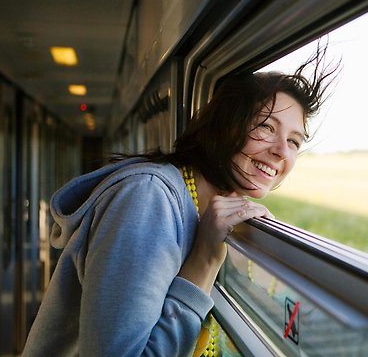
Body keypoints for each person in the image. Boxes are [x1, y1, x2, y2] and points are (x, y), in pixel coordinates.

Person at [22, 46, 338, 356]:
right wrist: (205, 260)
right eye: (267, 127)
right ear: (225, 126)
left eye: (294, 141)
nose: (282, 151)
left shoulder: (205, 208)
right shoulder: (147, 199)